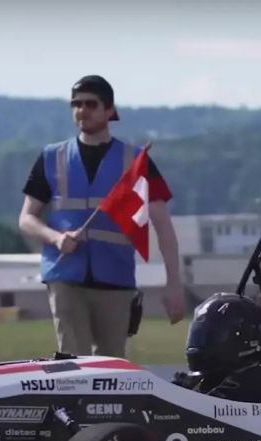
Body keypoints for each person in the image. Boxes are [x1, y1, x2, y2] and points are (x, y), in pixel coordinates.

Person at [18, 75, 185, 358]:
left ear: (109, 110)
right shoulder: (51, 157)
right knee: (73, 360)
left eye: (90, 104)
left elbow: (163, 225)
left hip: (115, 277)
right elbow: (27, 218)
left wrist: (174, 283)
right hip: (65, 274)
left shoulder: (134, 161)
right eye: (76, 104)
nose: (82, 110)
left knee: (112, 362)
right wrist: (56, 239)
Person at [173, 293, 261, 402]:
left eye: (213, 336)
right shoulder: (211, 376)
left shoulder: (257, 379)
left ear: (245, 337)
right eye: (199, 334)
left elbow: (210, 409)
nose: (202, 342)